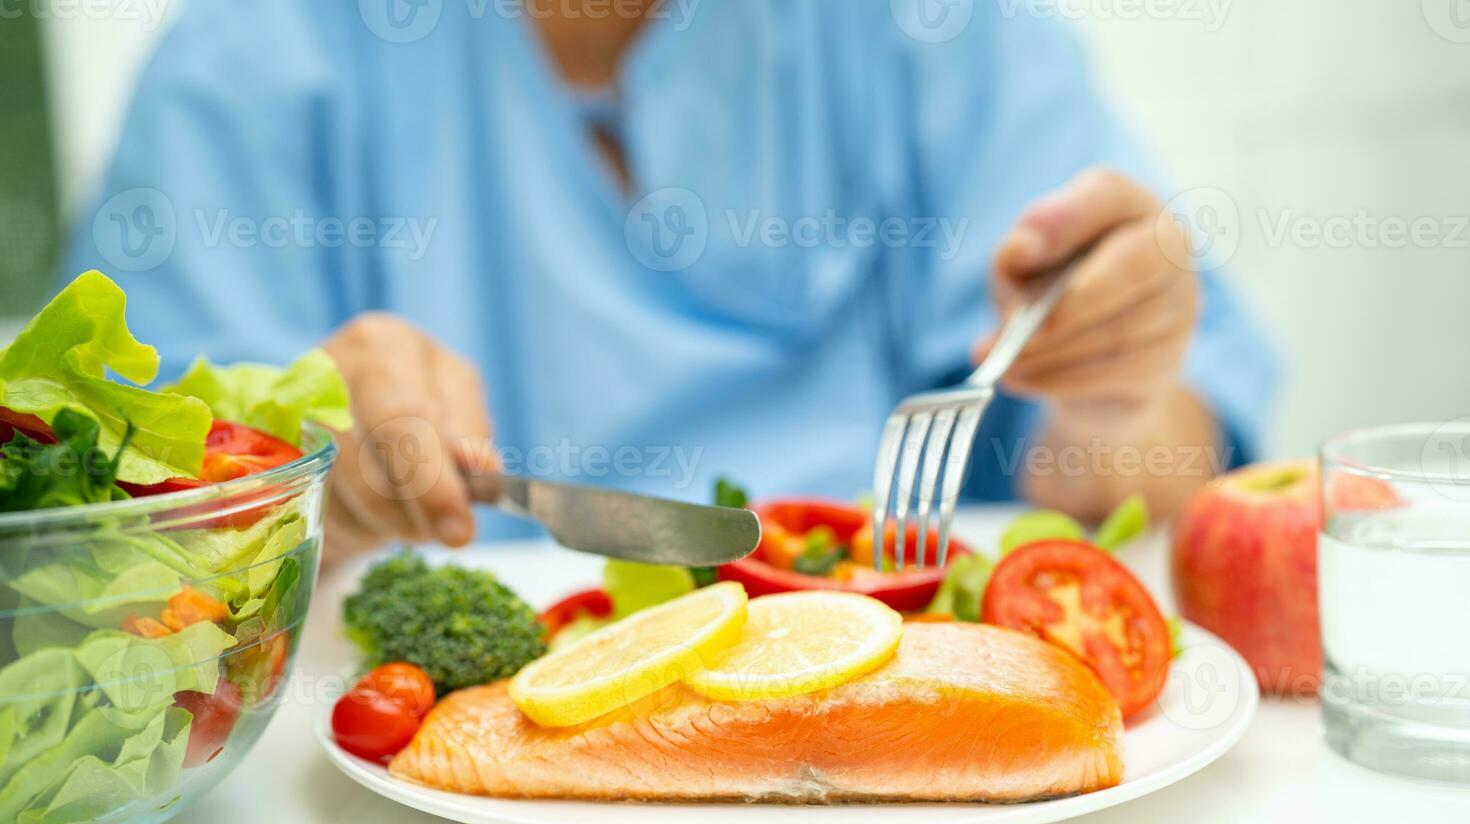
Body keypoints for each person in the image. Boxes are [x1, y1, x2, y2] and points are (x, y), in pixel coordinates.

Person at [64, 0, 1276, 567]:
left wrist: (1114, 394)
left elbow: (1124, 488)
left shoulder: (935, 34)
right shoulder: (251, 62)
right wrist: (289, 466)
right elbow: (115, 559)